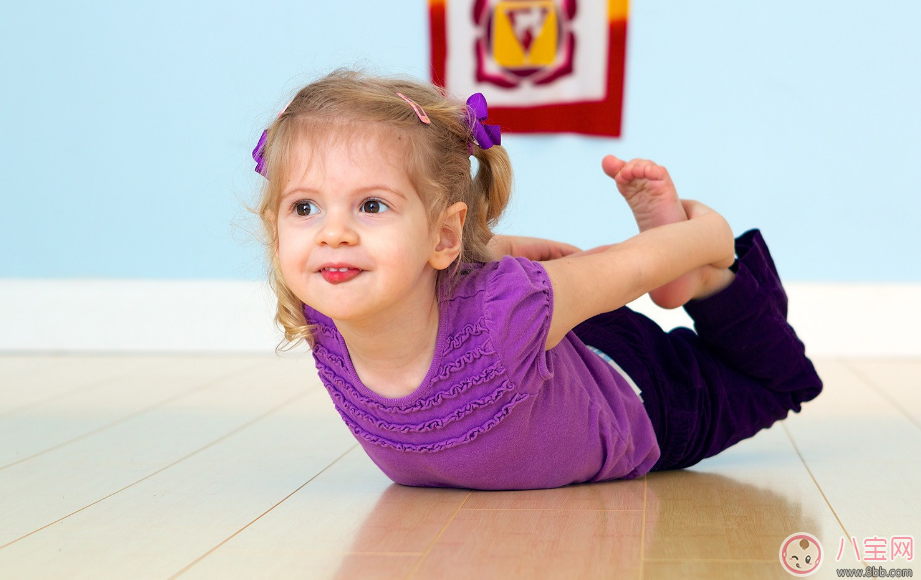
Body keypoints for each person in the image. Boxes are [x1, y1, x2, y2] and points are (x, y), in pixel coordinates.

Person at [251, 69, 823, 490]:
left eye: (370, 206)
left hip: (641, 393)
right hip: (540, 357)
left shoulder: (507, 313)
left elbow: (632, 268)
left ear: (443, 237)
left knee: (780, 382)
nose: (332, 234)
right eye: (305, 208)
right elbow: (411, 263)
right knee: (524, 303)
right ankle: (692, 270)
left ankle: (703, 280)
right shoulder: (325, 312)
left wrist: (707, 238)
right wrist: (497, 252)